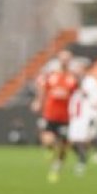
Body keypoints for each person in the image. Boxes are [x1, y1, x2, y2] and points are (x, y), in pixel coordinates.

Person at [32, 50, 79, 183]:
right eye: (62, 59)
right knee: (48, 140)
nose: (64, 61)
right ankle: (50, 150)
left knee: (64, 146)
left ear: (70, 61)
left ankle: (58, 164)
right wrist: (38, 102)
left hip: (66, 117)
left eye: (67, 59)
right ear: (59, 60)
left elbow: (78, 95)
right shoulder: (51, 76)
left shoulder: (73, 77)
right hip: (50, 114)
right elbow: (42, 89)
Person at [67, 58, 97, 175]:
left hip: (86, 116)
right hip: (76, 117)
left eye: (79, 68)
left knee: (84, 139)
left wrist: (95, 114)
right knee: (73, 141)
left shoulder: (90, 82)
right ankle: (88, 155)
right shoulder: (74, 82)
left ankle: (83, 161)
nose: (76, 71)